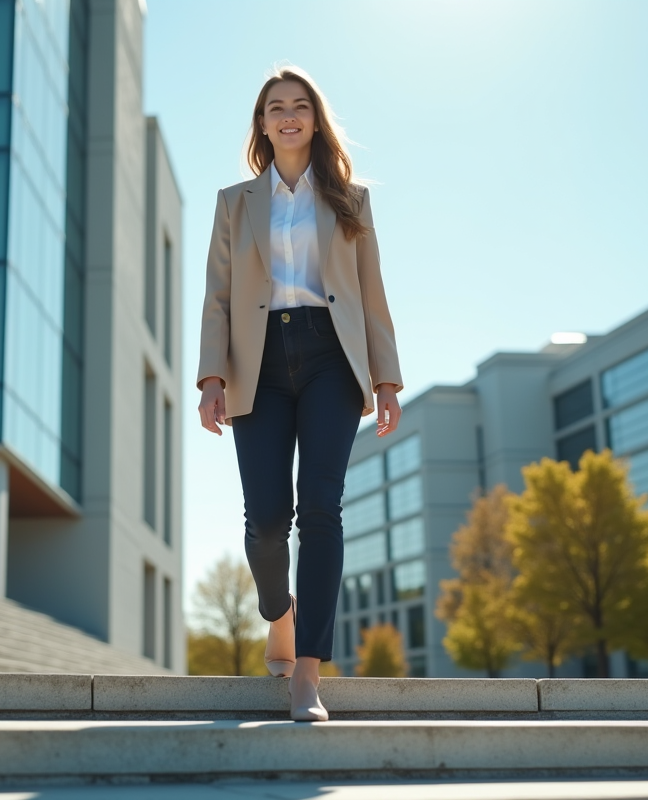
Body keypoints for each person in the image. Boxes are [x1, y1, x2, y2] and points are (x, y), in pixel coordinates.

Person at [196, 66, 403, 721]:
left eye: (300, 106)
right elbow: (218, 299)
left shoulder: (351, 197)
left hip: (330, 357)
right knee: (264, 518)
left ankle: (306, 673)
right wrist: (210, 379)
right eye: (275, 108)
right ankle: (277, 613)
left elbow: (372, 293)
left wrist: (386, 378)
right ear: (261, 123)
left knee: (321, 509)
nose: (288, 116)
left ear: (315, 119)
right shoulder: (235, 202)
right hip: (256, 359)